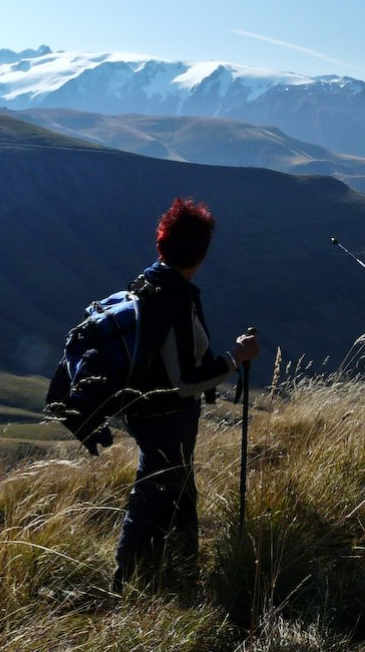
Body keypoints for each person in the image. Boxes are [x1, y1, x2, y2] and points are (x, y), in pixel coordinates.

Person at [112, 197, 259, 593]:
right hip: (167, 416)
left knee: (173, 493)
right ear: (201, 253)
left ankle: (172, 575)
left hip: (144, 412)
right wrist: (236, 358)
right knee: (156, 496)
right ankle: (129, 584)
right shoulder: (174, 298)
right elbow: (185, 380)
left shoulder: (147, 283)